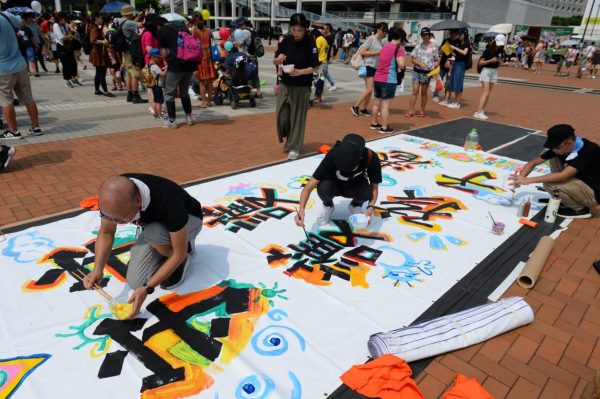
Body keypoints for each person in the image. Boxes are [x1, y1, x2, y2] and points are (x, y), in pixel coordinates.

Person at [83, 174, 204, 319]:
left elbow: (178, 253)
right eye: (111, 218)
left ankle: (184, 256)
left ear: (138, 201)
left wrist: (147, 288)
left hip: (189, 220)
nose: (117, 222)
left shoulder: (167, 200)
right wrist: (98, 269)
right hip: (154, 227)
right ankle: (163, 250)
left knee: (156, 236)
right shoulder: (112, 199)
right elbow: (106, 232)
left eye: (121, 217)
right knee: (136, 282)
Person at [510, 124, 600, 219]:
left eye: (556, 147)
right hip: (581, 183)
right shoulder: (562, 148)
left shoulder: (589, 151)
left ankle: (578, 209)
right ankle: (563, 199)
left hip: (594, 193)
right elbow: (533, 163)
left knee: (549, 183)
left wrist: (529, 180)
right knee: (553, 158)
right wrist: (520, 178)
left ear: (568, 143)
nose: (553, 149)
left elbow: (563, 176)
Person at [294, 133, 382, 226]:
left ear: (360, 159)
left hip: (355, 185)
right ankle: (328, 206)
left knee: (367, 192)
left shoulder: (371, 158)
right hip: (333, 185)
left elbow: (374, 187)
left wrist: (371, 206)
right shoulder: (333, 154)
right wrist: (301, 210)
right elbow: (308, 187)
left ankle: (355, 205)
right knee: (323, 187)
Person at [273, 13, 320, 160]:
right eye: (294, 30)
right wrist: (278, 59)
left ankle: (294, 146)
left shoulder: (310, 43)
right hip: (285, 84)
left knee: (298, 118)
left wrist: (300, 72)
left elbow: (315, 67)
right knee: (282, 115)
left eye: (299, 30)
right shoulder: (286, 40)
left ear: (305, 29)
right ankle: (289, 137)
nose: (296, 33)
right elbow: (276, 60)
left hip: (302, 86)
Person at [0, 9, 42, 139]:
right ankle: (36, 127)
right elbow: (22, 23)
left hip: (3, 69)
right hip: (20, 64)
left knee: (6, 101)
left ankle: (14, 131)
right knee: (28, 97)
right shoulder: (5, 15)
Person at [157, 19, 198, 128]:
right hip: (189, 65)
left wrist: (165, 61)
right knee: (184, 92)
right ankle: (189, 117)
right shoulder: (184, 29)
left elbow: (164, 52)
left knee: (169, 93)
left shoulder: (162, 31)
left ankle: (172, 120)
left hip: (175, 66)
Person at [370, 27, 406, 134]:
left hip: (377, 78)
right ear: (399, 37)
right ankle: (384, 127)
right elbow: (402, 64)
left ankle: (374, 123)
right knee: (385, 106)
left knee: (376, 102)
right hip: (389, 79)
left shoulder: (384, 47)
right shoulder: (398, 49)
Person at [351, 22, 388, 117]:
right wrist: (377, 52)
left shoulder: (380, 41)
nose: (384, 32)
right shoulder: (371, 39)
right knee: (370, 89)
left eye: (385, 31)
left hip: (375, 67)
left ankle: (363, 109)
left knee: (370, 89)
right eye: (383, 30)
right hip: (369, 66)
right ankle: (355, 106)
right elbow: (363, 52)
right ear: (378, 29)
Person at [406, 27, 438, 118]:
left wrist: (435, 66)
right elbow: (412, 59)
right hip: (417, 70)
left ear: (429, 35)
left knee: (424, 92)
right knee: (415, 90)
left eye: (426, 35)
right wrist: (419, 63)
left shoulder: (434, 46)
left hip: (427, 72)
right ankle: (411, 111)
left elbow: (436, 59)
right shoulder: (418, 46)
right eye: (423, 35)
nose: (424, 37)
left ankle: (422, 111)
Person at [474, 34, 505, 120]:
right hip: (486, 71)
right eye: (499, 43)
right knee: (486, 92)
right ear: (495, 41)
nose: (500, 45)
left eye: (501, 44)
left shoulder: (500, 51)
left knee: (488, 93)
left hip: (494, 71)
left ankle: (482, 110)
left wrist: (501, 62)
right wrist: (491, 60)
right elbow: (481, 62)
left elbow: (499, 63)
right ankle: (478, 112)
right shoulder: (488, 50)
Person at [120, 5, 147, 103]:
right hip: (131, 51)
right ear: (129, 13)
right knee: (135, 74)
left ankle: (130, 95)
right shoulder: (128, 23)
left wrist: (139, 16)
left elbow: (133, 22)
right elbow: (142, 25)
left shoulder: (120, 21)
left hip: (125, 50)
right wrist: (146, 16)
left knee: (128, 74)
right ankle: (136, 96)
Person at [192, 13, 216, 108]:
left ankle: (203, 102)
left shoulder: (194, 31)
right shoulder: (208, 30)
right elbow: (211, 44)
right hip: (209, 57)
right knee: (210, 81)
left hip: (200, 58)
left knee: (202, 81)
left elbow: (193, 45)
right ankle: (209, 101)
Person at [89, 13, 114, 97]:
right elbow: (93, 40)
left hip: (98, 52)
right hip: (98, 52)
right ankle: (106, 91)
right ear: (96, 18)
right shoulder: (94, 28)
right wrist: (103, 42)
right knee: (101, 72)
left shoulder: (96, 27)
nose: (102, 19)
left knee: (98, 72)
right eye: (100, 18)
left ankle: (97, 90)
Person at [53, 12, 80, 88]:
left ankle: (74, 79)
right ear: (60, 19)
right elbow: (61, 37)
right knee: (66, 64)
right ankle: (67, 81)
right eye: (64, 19)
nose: (65, 21)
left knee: (73, 63)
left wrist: (70, 33)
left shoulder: (64, 25)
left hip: (68, 46)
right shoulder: (56, 25)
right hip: (61, 47)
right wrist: (70, 35)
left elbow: (68, 33)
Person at [446, 28, 470, 109]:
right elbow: (458, 54)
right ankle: (455, 101)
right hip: (456, 63)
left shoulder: (466, 43)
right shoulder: (460, 43)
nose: (459, 36)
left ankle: (458, 103)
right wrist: (451, 50)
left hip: (461, 65)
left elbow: (464, 52)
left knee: (458, 83)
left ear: (464, 34)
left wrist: (455, 48)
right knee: (455, 82)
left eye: (460, 34)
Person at [433, 29, 458, 103]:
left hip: (452, 64)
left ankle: (446, 97)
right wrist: (444, 46)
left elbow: (457, 54)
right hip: (443, 63)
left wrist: (451, 50)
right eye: (450, 32)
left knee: (448, 81)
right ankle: (435, 95)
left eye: (453, 33)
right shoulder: (446, 40)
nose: (451, 34)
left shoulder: (458, 42)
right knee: (439, 79)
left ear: (456, 33)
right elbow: (440, 52)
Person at [149, 48, 165, 119]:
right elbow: (162, 74)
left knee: (155, 100)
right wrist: (167, 68)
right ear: (153, 57)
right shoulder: (155, 66)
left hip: (154, 86)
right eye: (158, 58)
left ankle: (155, 114)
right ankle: (160, 115)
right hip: (158, 86)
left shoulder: (151, 65)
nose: (159, 59)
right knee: (159, 101)